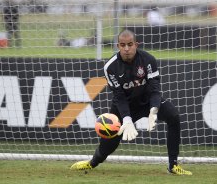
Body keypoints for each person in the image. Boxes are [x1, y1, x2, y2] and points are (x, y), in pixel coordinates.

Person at [70, 30, 192, 175]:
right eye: (123, 45)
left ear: (136, 44)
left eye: (130, 44)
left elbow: (154, 89)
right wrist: (127, 120)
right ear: (118, 46)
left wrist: (154, 108)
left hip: (147, 102)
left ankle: (173, 165)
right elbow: (119, 96)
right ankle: (92, 163)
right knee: (108, 145)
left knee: (173, 116)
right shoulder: (110, 67)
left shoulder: (148, 60)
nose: (126, 49)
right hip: (124, 106)